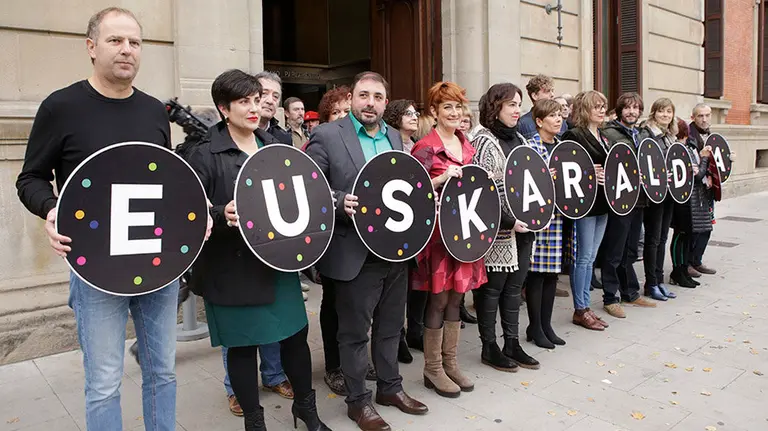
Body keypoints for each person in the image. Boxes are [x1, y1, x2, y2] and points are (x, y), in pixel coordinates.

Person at [15, 8, 192, 430]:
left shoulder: (153, 111)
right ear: (91, 48)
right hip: (95, 269)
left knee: (162, 373)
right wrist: (51, 208)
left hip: (158, 265)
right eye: (115, 41)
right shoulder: (60, 107)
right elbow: (31, 178)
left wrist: (192, 217)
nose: (126, 50)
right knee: (104, 381)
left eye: (134, 42)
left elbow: (162, 185)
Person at [187, 69, 329, 431]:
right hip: (231, 268)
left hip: (277, 261)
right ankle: (255, 422)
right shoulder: (202, 154)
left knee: (295, 339)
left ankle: (307, 411)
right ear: (223, 108)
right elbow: (187, 210)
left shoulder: (275, 145)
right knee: (242, 347)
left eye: (256, 100)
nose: (254, 108)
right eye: (243, 102)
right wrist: (220, 214)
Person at [306, 71, 428, 431]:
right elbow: (310, 188)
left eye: (377, 96)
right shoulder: (327, 135)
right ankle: (358, 402)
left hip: (394, 251)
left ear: (385, 103)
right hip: (353, 252)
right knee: (355, 333)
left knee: (391, 327)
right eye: (363, 95)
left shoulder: (393, 136)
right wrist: (339, 200)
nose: (370, 102)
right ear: (352, 98)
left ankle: (390, 388)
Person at [410, 81, 486, 398]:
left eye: (458, 106)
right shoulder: (424, 147)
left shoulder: (465, 143)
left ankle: (450, 362)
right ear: (434, 112)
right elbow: (413, 192)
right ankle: (432, 368)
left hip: (465, 233)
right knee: (438, 299)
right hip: (439, 237)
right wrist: (440, 179)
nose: (455, 112)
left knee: (458, 298)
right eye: (447, 107)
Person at [470, 83, 540, 372]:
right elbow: (484, 190)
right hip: (499, 231)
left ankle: (512, 342)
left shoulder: (521, 140)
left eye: (519, 104)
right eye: (511, 104)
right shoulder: (484, 142)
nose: (517, 110)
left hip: (525, 230)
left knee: (514, 288)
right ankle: (489, 347)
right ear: (495, 106)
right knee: (493, 290)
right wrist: (511, 221)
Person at [598, 93, 662, 319]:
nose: (631, 112)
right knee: (614, 250)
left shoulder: (644, 134)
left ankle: (630, 292)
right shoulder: (608, 133)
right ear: (620, 110)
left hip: (640, 199)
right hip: (620, 199)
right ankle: (610, 297)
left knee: (632, 249)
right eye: (627, 108)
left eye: (635, 108)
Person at [560, 92, 619, 326]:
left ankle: (585, 306)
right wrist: (588, 172)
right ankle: (580, 308)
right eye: (596, 106)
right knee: (583, 258)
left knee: (592, 257)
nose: (602, 110)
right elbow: (566, 168)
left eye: (604, 106)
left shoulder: (603, 136)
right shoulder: (574, 135)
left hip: (603, 203)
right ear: (585, 109)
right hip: (584, 204)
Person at [523, 99, 571, 349]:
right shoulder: (530, 148)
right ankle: (535, 326)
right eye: (552, 116)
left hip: (559, 217)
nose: (558, 119)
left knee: (552, 273)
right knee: (537, 274)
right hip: (538, 218)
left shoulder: (563, 148)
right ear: (539, 121)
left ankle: (546, 324)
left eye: (560, 115)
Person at [382, 99, 427, 364]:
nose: (413, 117)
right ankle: (396, 335)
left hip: (415, 221)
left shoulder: (417, 146)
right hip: (394, 221)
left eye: (414, 113)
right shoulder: (388, 144)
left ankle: (415, 329)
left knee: (417, 280)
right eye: (407, 113)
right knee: (394, 286)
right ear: (395, 117)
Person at [641, 98, 693, 292]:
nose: (665, 115)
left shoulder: (670, 135)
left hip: (669, 194)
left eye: (669, 112)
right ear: (654, 112)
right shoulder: (646, 134)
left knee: (663, 238)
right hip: (654, 194)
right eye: (661, 111)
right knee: (653, 239)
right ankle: (651, 282)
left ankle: (659, 280)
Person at [670, 118, 713, 289]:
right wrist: (703, 160)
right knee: (680, 236)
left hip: (693, 199)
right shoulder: (680, 148)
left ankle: (683, 270)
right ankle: (677, 271)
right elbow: (696, 176)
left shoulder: (690, 147)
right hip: (683, 198)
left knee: (687, 236)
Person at [687, 103, 717, 276]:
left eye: (707, 115)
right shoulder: (689, 136)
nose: (704, 119)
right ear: (693, 117)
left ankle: (697, 261)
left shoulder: (712, 136)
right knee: (694, 228)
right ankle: (688, 263)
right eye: (700, 116)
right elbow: (695, 167)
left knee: (707, 227)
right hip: (694, 190)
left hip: (708, 190)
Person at [517, 74, 567, 139]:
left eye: (552, 91)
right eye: (547, 91)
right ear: (534, 96)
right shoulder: (522, 124)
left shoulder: (561, 122)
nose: (552, 95)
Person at [255, 71, 292, 145]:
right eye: (264, 94)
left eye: (275, 96)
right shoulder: (236, 132)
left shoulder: (284, 138)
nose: (270, 101)